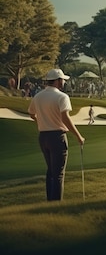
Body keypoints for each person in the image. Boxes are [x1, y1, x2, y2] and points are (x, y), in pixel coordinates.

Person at [28, 68, 85, 201]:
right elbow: (65, 118)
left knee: (51, 171)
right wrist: (78, 136)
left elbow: (31, 114)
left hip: (43, 137)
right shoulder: (62, 97)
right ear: (58, 81)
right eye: (63, 80)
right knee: (58, 173)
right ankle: (56, 204)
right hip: (57, 137)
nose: (64, 82)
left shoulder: (38, 96)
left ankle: (50, 201)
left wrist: (41, 121)